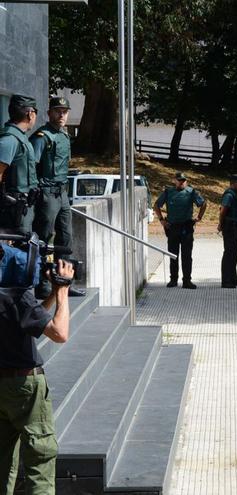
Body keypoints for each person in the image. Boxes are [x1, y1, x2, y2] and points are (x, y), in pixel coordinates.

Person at [0, 259, 74, 494]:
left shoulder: (14, 298)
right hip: (24, 387)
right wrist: (62, 290)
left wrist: (51, 293)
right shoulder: (16, 296)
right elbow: (59, 333)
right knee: (40, 459)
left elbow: (31, 318)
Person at [30, 96, 85, 299]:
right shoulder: (42, 137)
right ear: (49, 112)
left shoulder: (63, 136)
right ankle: (41, 282)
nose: (62, 115)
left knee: (66, 238)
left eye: (65, 111)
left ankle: (64, 281)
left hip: (62, 193)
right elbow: (31, 166)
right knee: (43, 238)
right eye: (58, 111)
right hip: (47, 193)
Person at [154, 172, 206, 289]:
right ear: (174, 181)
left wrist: (199, 217)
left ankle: (187, 281)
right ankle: (173, 280)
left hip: (187, 228)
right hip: (172, 228)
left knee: (187, 256)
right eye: (179, 180)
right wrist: (161, 219)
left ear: (186, 181)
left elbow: (203, 204)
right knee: (173, 255)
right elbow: (157, 205)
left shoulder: (191, 192)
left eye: (183, 180)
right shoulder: (168, 192)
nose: (181, 182)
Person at [0, 95, 40, 233]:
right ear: (30, 114)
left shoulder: (20, 137)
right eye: (35, 112)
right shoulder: (10, 139)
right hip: (14, 208)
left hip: (24, 206)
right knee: (19, 250)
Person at [218, 175, 237, 289]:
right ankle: (226, 281)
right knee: (229, 253)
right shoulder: (229, 195)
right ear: (233, 183)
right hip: (229, 227)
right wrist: (221, 224)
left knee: (234, 253)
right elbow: (223, 210)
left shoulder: (235, 194)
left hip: (235, 227)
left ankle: (233, 278)